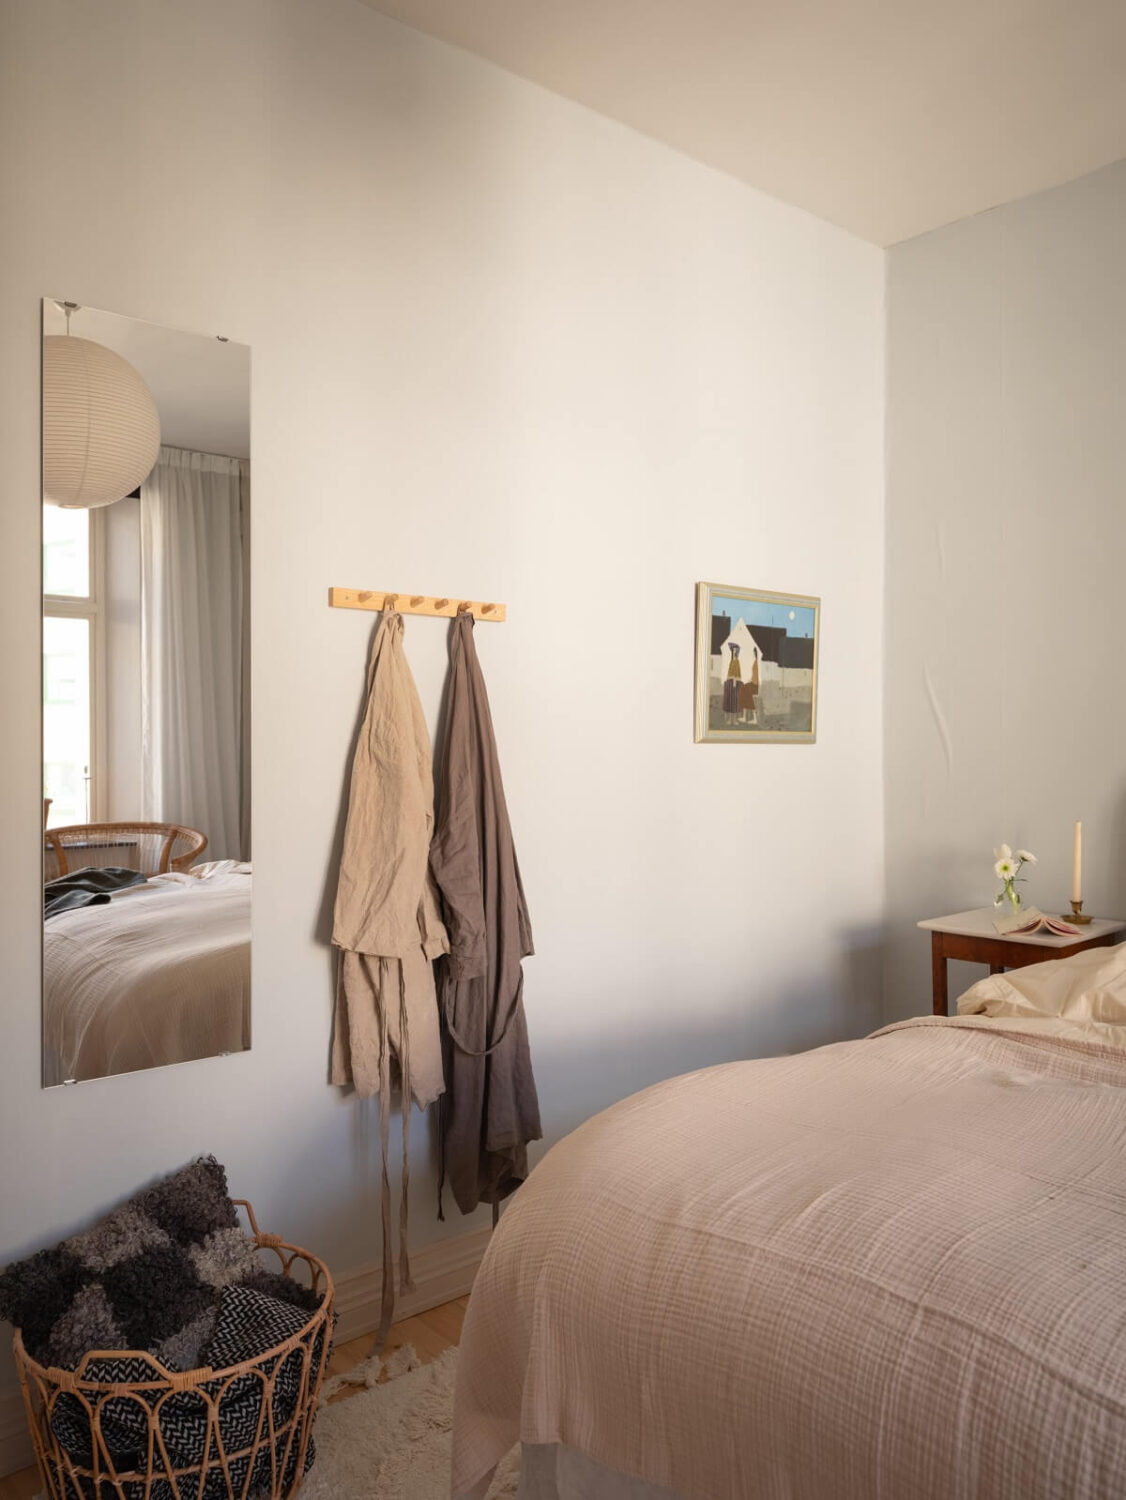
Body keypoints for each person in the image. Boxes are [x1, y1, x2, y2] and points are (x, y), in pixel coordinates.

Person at [723, 642, 742, 724]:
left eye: (735, 650)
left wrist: (734, 681)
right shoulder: (731, 661)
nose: (734, 652)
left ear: (737, 652)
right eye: (733, 650)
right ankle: (729, 719)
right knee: (729, 701)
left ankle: (734, 720)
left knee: (734, 702)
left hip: (735, 683)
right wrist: (728, 679)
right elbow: (729, 672)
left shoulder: (737, 662)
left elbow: (738, 674)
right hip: (730, 682)